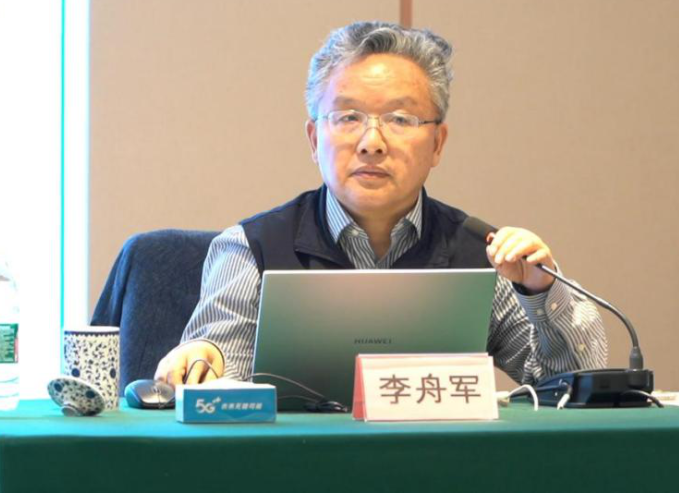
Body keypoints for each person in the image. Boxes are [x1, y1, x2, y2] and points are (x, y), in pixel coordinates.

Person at [156, 21, 607, 387]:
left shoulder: (481, 252)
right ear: (314, 139)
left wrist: (539, 289)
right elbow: (214, 373)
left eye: (400, 119)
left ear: (437, 143)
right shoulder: (251, 248)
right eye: (348, 117)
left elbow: (571, 383)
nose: (372, 142)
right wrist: (204, 359)